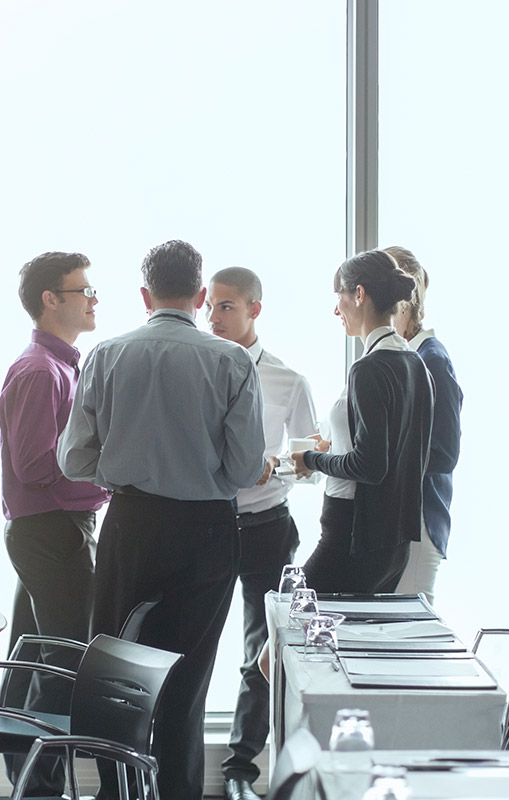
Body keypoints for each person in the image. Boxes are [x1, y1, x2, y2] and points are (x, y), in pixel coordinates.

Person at [59, 239, 264, 800]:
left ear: (145, 295)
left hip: (131, 526)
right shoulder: (231, 360)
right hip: (207, 534)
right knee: (187, 686)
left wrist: (128, 462)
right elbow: (247, 468)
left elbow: (72, 460)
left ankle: (115, 793)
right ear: (201, 296)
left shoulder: (106, 355)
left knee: (114, 680)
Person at [0, 252, 110, 792]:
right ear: (51, 299)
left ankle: (25, 784)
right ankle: (39, 789)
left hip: (49, 530)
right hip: (52, 532)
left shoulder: (62, 366)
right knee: (64, 665)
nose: (92, 299)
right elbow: (36, 465)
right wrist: (109, 485)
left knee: (35, 660)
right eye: (84, 290)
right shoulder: (41, 371)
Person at [206, 266, 317, 800]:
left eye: (227, 306)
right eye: (211, 305)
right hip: (204, 524)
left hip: (266, 525)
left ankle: (239, 771)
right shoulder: (196, 369)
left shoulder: (287, 381)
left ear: (254, 310)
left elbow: (310, 463)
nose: (214, 316)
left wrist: (276, 465)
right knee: (193, 642)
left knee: (261, 651)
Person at [291, 251, 432, 593]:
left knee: (285, 619)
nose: (336, 310)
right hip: (394, 540)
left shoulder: (368, 369)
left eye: (339, 296)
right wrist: (334, 446)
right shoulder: (415, 365)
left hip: (352, 536)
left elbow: (370, 465)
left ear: (359, 294)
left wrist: (311, 459)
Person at [385, 246, 463, 605]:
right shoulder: (398, 356)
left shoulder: (432, 359)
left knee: (409, 633)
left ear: (403, 300)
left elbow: (445, 453)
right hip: (400, 518)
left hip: (418, 521)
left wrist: (376, 460)